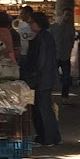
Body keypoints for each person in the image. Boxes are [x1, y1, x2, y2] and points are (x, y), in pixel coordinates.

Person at [21, 11, 61, 146]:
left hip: (41, 78)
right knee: (44, 107)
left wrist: (32, 74)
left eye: (32, 22)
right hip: (46, 77)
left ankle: (46, 137)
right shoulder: (46, 37)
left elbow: (40, 61)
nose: (30, 25)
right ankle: (51, 136)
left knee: (42, 108)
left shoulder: (41, 39)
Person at [53, 10, 76, 100]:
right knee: (52, 75)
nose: (67, 17)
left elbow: (71, 41)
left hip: (65, 55)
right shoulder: (54, 27)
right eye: (66, 15)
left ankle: (64, 95)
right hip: (55, 55)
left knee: (66, 77)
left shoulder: (70, 28)